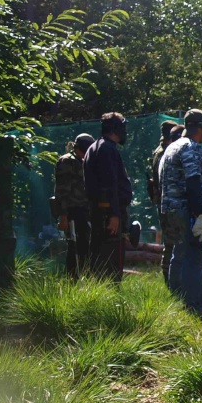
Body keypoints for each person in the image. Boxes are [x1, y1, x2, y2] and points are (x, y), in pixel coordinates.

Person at [159, 109, 202, 313]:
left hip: (170, 210)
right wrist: (200, 214)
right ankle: (193, 305)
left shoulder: (171, 147)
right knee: (193, 257)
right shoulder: (192, 148)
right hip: (187, 211)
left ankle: (177, 299)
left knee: (178, 254)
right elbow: (193, 181)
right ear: (200, 127)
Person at [83, 112, 133, 282]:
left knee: (100, 257)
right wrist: (114, 214)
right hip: (107, 214)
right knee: (110, 260)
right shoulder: (106, 149)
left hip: (101, 212)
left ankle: (100, 296)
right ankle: (110, 300)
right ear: (116, 128)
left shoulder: (96, 147)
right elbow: (109, 184)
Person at [54, 133, 95, 278]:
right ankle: (73, 279)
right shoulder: (67, 161)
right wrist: (63, 216)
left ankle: (85, 277)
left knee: (85, 246)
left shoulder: (84, 161)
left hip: (85, 210)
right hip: (72, 211)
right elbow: (62, 192)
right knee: (74, 247)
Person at [149, 119, 177, 284]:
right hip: (166, 202)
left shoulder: (161, 150)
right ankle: (169, 278)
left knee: (171, 240)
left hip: (164, 201)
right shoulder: (164, 152)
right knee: (171, 241)